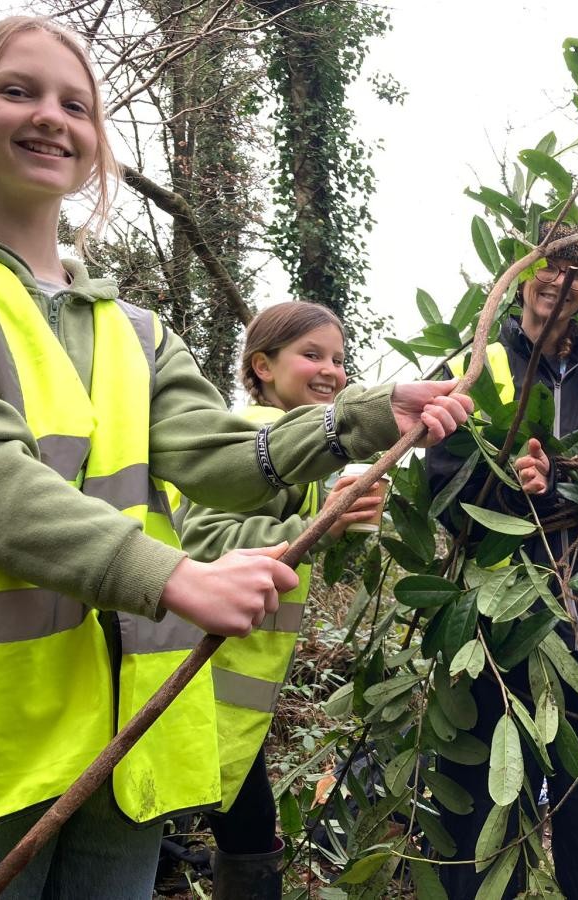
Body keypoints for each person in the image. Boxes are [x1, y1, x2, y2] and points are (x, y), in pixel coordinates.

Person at [0, 18, 471, 898]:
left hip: (127, 743)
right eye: (19, 92)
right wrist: (168, 576)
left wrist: (365, 414)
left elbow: (222, 452)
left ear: (95, 145)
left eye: (75, 104)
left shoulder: (138, 331)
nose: (51, 117)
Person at [427, 222, 578, 899]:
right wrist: (506, 483)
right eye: (547, 269)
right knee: (487, 794)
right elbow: (440, 480)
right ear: (522, 277)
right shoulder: (476, 365)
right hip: (495, 619)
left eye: (576, 275)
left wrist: (577, 476)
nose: (559, 283)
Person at [178, 302, 382, 898]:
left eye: (339, 359)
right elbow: (206, 544)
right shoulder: (252, 439)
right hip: (200, 676)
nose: (332, 371)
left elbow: (310, 558)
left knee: (245, 832)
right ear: (261, 366)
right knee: (242, 836)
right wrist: (318, 526)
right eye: (311, 355)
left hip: (234, 684)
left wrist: (339, 526)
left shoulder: (300, 451)